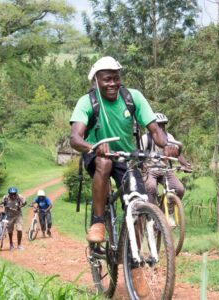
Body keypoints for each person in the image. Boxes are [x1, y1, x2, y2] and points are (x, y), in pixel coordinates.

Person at [69, 56, 180, 243]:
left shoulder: (132, 97)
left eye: (116, 78)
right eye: (107, 79)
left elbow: (154, 129)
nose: (113, 83)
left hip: (126, 157)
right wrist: (93, 147)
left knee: (139, 201)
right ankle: (98, 222)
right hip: (97, 155)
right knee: (104, 164)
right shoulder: (87, 102)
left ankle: (133, 263)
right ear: (96, 80)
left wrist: (166, 145)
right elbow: (75, 138)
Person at [141, 112, 192, 227]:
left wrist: (186, 165)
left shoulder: (169, 137)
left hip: (166, 170)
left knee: (179, 189)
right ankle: (152, 216)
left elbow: (177, 154)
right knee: (151, 188)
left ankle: (168, 213)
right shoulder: (145, 138)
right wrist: (142, 166)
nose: (161, 128)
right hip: (150, 170)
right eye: (158, 125)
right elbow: (140, 154)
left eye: (163, 125)